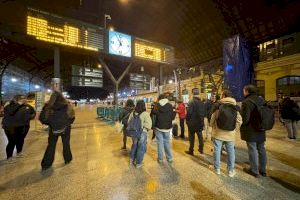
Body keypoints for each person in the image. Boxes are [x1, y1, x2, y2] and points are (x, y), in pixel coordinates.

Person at [39, 91, 75, 170]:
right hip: (66, 127)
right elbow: (72, 117)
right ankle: (67, 159)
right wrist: (67, 123)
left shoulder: (48, 106)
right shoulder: (68, 105)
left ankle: (46, 164)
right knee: (66, 144)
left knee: (51, 145)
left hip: (53, 128)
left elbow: (42, 119)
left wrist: (51, 123)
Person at [210, 90, 242, 177]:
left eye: (221, 94)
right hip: (230, 134)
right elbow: (239, 120)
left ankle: (217, 169)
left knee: (217, 151)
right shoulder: (235, 107)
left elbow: (212, 119)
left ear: (223, 96)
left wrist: (213, 127)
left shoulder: (218, 106)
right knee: (231, 152)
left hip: (218, 133)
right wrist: (234, 129)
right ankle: (230, 171)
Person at [240, 85, 267, 178]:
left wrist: (242, 124)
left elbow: (245, 118)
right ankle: (263, 170)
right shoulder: (261, 100)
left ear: (247, 91)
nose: (243, 92)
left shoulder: (246, 102)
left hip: (251, 129)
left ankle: (254, 170)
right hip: (261, 128)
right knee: (261, 149)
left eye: (244, 90)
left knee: (252, 149)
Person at [2, 95, 36, 163]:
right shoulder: (9, 106)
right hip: (11, 127)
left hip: (23, 126)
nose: (24, 100)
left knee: (20, 140)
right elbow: (11, 112)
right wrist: (18, 104)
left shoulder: (27, 106)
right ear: (15, 100)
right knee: (12, 142)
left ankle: (19, 152)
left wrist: (30, 117)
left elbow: (33, 112)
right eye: (21, 99)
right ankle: (9, 157)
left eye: (24, 99)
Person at [152, 94, 176, 163]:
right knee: (167, 142)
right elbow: (172, 117)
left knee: (160, 143)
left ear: (159, 98)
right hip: (167, 127)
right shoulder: (170, 106)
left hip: (158, 127)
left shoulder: (156, 106)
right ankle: (169, 158)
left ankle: (160, 159)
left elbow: (152, 115)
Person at [128, 100, 152, 168]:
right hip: (142, 133)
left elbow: (128, 122)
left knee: (134, 146)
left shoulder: (132, 113)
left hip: (134, 133)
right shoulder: (145, 113)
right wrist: (142, 126)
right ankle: (138, 163)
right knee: (141, 148)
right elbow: (149, 125)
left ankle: (131, 159)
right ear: (144, 106)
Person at [185, 89, 206, 156]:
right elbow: (203, 113)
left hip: (192, 123)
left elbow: (189, 113)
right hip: (200, 122)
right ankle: (201, 149)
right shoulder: (202, 103)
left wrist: (187, 121)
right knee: (200, 136)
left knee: (191, 137)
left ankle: (191, 150)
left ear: (192, 94)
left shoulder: (191, 102)